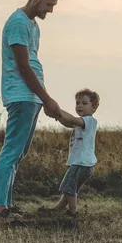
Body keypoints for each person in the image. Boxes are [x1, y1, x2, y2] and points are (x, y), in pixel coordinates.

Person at [0, 0, 63, 218]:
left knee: (18, 153)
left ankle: (6, 205)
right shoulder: (18, 23)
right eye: (48, 5)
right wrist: (47, 98)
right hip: (21, 94)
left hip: (31, 96)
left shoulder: (32, 25)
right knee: (11, 151)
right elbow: (23, 66)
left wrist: (41, 98)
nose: (50, 11)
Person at [46, 88, 100, 221]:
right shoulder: (80, 123)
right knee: (70, 187)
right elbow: (68, 122)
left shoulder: (89, 121)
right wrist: (57, 116)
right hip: (81, 163)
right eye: (77, 103)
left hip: (81, 163)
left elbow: (71, 119)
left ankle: (73, 212)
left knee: (69, 187)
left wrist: (57, 110)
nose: (79, 105)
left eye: (84, 103)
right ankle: (59, 208)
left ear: (94, 108)